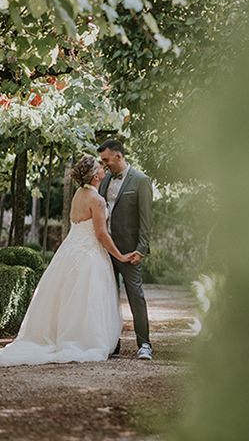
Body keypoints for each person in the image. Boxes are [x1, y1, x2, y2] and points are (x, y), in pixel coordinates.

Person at [0, 155, 133, 366]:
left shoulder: (79, 194)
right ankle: (80, 339)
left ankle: (60, 335)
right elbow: (101, 234)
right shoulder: (96, 200)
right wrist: (120, 255)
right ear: (94, 174)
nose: (103, 168)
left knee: (68, 296)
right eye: (100, 167)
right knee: (87, 298)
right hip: (90, 253)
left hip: (71, 250)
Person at [97, 139, 153, 360]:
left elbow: (146, 219)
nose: (104, 165)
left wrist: (141, 249)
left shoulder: (141, 181)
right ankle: (112, 343)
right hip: (105, 250)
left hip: (129, 252)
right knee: (106, 297)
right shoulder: (105, 180)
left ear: (118, 156)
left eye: (106, 160)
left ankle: (145, 344)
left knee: (135, 296)